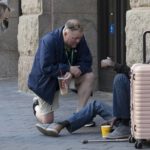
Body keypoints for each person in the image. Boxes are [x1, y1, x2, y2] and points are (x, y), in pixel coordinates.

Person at [35, 57, 131, 139]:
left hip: (133, 119)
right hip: (129, 113)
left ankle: (124, 125)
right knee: (95, 105)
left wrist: (113, 64)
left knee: (120, 78)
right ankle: (61, 125)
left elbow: (132, 73)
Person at [28, 19, 95, 124]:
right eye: (75, 38)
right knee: (47, 121)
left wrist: (72, 72)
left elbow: (87, 61)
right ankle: (36, 105)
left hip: (67, 77)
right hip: (48, 81)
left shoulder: (79, 39)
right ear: (65, 33)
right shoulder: (48, 40)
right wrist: (67, 69)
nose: (78, 41)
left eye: (79, 38)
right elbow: (46, 67)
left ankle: (80, 115)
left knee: (89, 76)